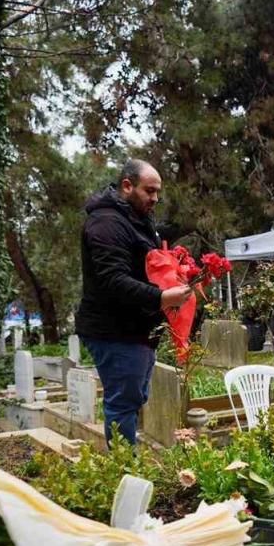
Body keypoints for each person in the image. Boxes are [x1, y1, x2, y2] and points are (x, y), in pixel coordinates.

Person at [75, 160, 193, 444]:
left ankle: (127, 466)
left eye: (157, 193)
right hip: (115, 331)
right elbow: (113, 280)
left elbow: (144, 266)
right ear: (127, 186)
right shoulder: (107, 223)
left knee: (132, 399)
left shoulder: (134, 220)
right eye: (149, 191)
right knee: (123, 404)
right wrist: (162, 297)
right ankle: (125, 471)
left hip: (134, 331)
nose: (155, 199)